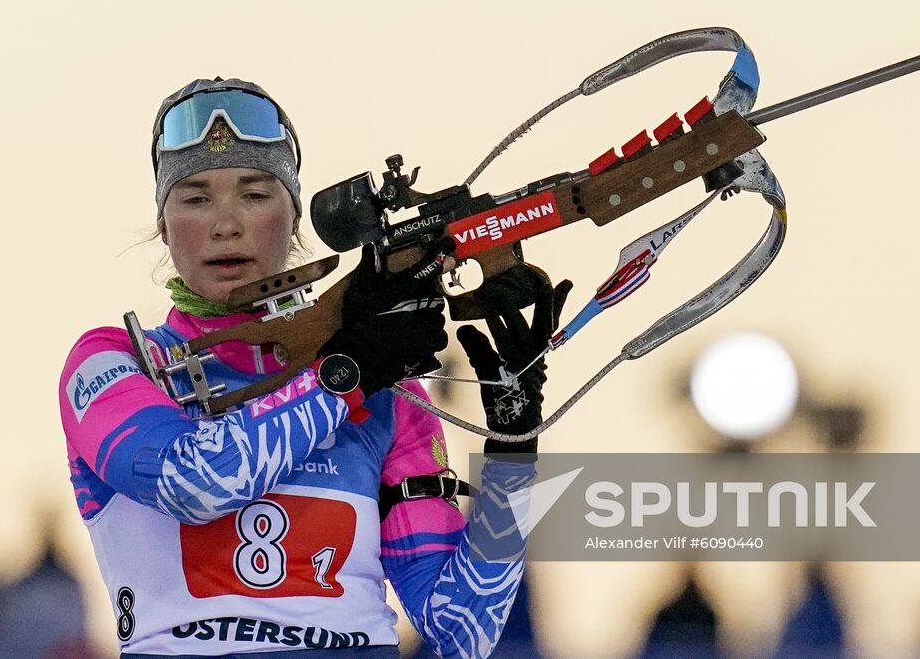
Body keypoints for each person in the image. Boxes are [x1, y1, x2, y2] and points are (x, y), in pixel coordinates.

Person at [58, 78, 568, 659]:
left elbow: (462, 627)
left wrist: (513, 450)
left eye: (254, 194)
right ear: (163, 224)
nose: (226, 223)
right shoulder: (115, 362)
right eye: (196, 198)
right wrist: (346, 372)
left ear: (294, 216)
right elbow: (192, 484)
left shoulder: (387, 392)